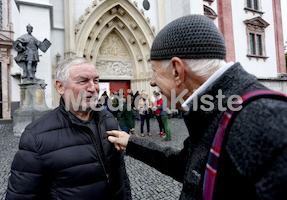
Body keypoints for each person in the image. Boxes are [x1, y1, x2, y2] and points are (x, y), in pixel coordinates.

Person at [106, 14, 287, 200]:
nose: (151, 82)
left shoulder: (270, 123)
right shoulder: (216, 108)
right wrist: (131, 143)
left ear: (177, 71)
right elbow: (190, 166)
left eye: (154, 71)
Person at [6, 57, 131, 200]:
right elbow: (21, 195)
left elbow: (121, 173)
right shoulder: (35, 136)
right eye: (83, 81)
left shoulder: (108, 119)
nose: (93, 87)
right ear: (60, 87)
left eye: (96, 80)